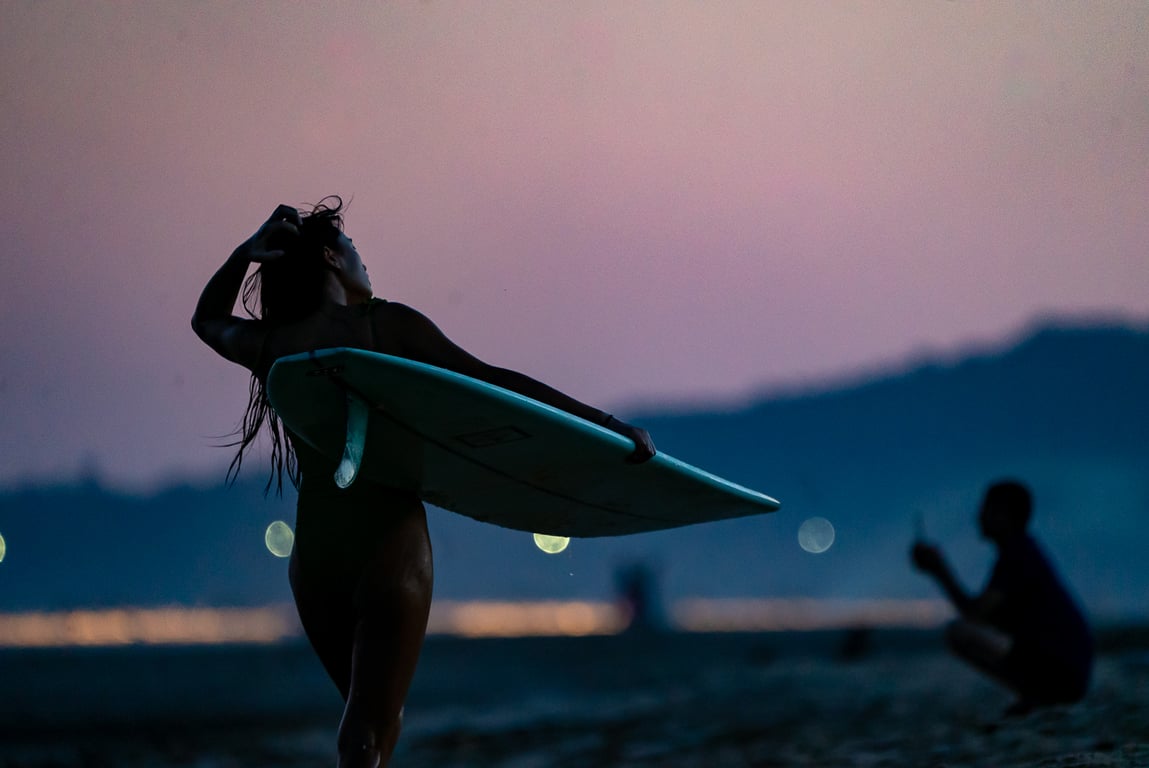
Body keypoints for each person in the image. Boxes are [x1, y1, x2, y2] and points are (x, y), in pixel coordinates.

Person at [191, 199, 655, 767]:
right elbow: (493, 384)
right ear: (333, 259)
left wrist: (245, 251)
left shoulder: (272, 345)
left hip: (314, 558)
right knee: (369, 728)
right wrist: (605, 425)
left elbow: (206, 320)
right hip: (390, 548)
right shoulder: (384, 325)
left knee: (371, 720)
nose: (365, 263)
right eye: (355, 251)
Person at [911, 480, 1093, 716]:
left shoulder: (1017, 556)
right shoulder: (1022, 553)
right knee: (965, 633)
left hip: (1063, 671)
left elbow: (975, 616)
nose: (978, 517)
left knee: (960, 634)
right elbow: (982, 614)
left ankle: (1037, 694)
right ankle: (1036, 694)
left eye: (986, 509)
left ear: (1006, 515)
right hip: (1070, 671)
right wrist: (939, 571)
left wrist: (940, 571)